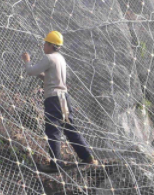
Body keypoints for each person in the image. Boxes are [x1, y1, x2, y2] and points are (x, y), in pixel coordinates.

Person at [21, 31, 97, 173]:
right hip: (64, 98)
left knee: (53, 131)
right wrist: (40, 74)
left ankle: (56, 165)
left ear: (51, 45)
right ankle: (87, 157)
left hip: (53, 99)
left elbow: (30, 71)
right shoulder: (60, 58)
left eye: (45, 43)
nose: (44, 46)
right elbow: (51, 78)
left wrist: (26, 60)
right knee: (69, 128)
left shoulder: (49, 58)